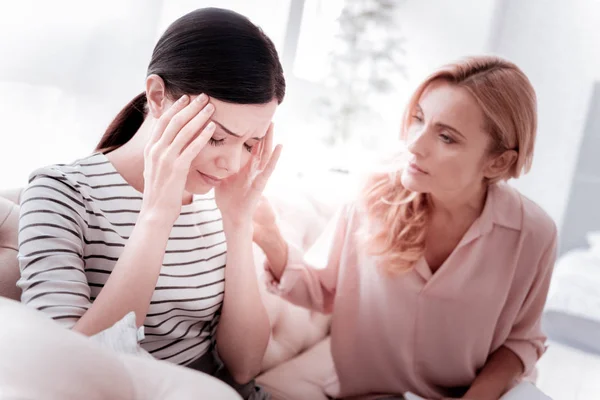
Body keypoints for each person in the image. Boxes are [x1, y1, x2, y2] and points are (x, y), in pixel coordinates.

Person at [17, 8, 284, 400]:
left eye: (248, 144)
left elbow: (244, 366)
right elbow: (68, 371)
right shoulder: (62, 193)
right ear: (158, 96)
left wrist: (239, 223)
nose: (231, 164)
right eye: (215, 138)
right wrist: (157, 214)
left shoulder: (221, 200)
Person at [252, 56, 557, 400]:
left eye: (446, 137)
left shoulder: (531, 234)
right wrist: (268, 236)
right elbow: (322, 291)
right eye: (418, 120)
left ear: (498, 161)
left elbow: (522, 341)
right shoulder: (372, 197)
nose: (414, 144)